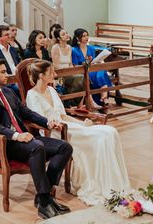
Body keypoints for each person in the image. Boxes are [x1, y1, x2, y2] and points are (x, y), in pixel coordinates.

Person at [0, 59, 73, 219]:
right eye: (3, 72)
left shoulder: (8, 92)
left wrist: (47, 122)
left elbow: (26, 112)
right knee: (37, 146)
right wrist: (16, 136)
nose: (7, 75)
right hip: (4, 143)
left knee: (65, 147)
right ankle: (45, 203)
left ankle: (43, 196)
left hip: (25, 138)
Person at [25, 60, 131, 205]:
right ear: (42, 75)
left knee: (110, 132)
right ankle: (99, 183)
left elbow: (63, 115)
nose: (55, 74)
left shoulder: (52, 90)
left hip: (67, 125)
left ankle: (113, 181)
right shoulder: (32, 95)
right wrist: (57, 126)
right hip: (53, 132)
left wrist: (83, 123)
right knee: (101, 138)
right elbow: (40, 121)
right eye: (51, 72)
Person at [71, 28, 113, 107]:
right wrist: (84, 65)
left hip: (91, 69)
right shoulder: (74, 50)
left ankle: (103, 95)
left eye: (87, 35)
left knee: (101, 70)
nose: (86, 37)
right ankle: (104, 95)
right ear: (77, 38)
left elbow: (93, 61)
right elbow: (75, 66)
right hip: (82, 71)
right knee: (101, 72)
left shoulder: (91, 48)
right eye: (83, 36)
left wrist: (97, 61)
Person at [51, 28, 84, 103]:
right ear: (58, 38)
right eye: (63, 34)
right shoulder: (55, 47)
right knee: (80, 77)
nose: (66, 35)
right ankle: (74, 101)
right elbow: (55, 65)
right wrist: (68, 71)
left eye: (66, 33)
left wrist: (72, 70)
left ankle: (79, 102)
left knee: (84, 76)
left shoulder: (69, 47)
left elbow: (70, 63)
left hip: (69, 72)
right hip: (60, 73)